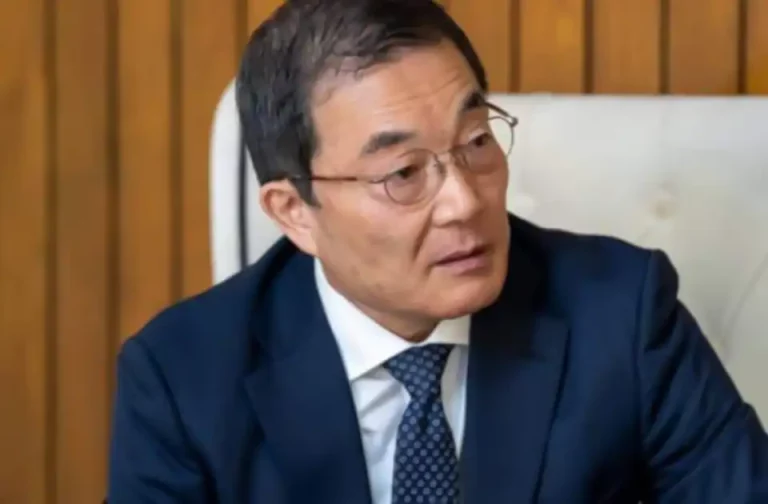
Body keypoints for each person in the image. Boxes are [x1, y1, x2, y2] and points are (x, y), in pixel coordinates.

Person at [107, 0, 768, 502]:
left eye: (476, 141)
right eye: (402, 173)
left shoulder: (621, 312)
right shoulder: (182, 377)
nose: (463, 202)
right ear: (294, 212)